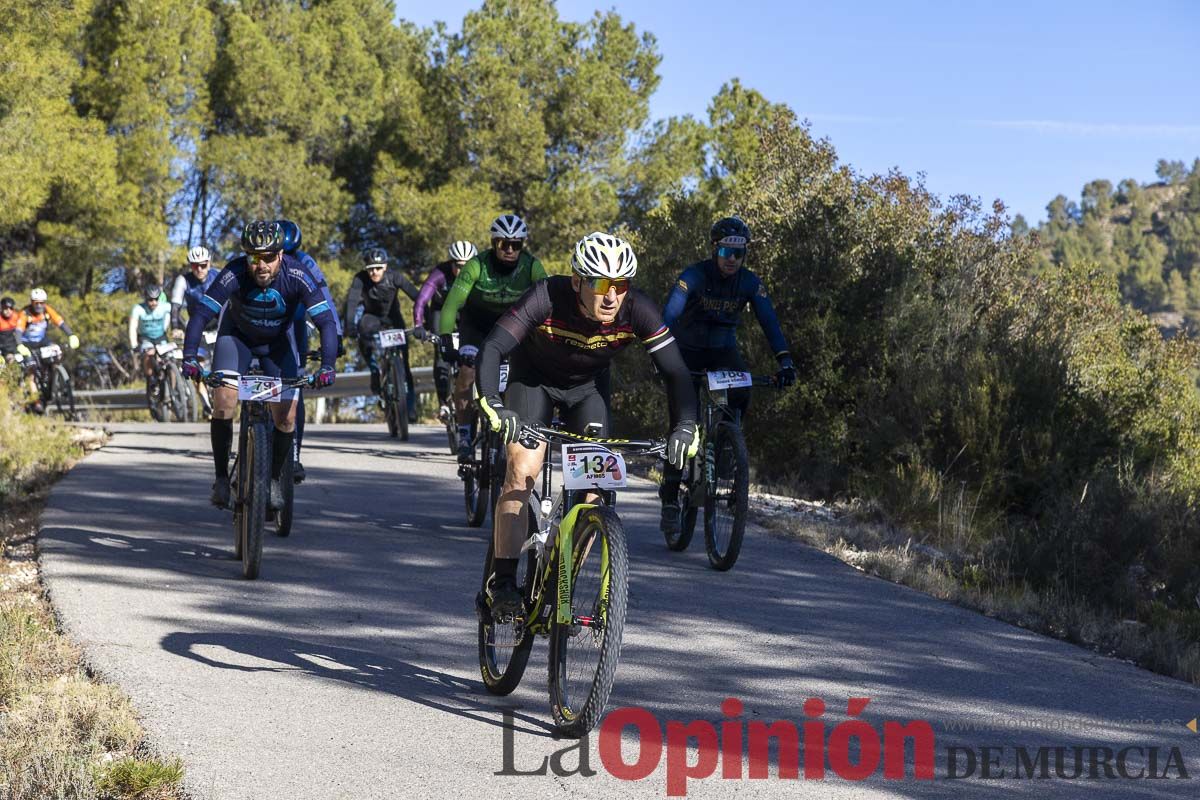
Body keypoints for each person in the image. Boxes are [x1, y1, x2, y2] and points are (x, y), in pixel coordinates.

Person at [474, 232, 699, 616]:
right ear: (578, 281)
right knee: (523, 470)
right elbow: (493, 346)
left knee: (595, 488)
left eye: (621, 285)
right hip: (533, 383)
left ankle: (563, 577)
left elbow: (676, 371)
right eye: (600, 284)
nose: (612, 296)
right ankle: (505, 583)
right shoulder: (546, 296)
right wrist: (493, 403)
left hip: (587, 392)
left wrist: (686, 425)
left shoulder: (637, 310)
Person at [181, 220, 338, 510]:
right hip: (237, 338)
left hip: (279, 344)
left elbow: (326, 321)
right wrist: (189, 356)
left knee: (286, 417)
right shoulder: (235, 272)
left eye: (268, 257)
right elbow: (203, 313)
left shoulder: (297, 274)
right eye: (254, 257)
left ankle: (277, 479)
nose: (261, 265)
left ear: (281, 255)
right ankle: (220, 478)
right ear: (246, 257)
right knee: (225, 400)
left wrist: (328, 365)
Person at [656, 216, 796, 537]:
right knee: (681, 421)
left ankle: (725, 449)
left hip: (722, 351)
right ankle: (670, 495)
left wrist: (784, 361)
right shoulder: (693, 275)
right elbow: (668, 315)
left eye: (739, 254)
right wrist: (660, 355)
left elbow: (769, 321)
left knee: (743, 390)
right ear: (714, 250)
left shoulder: (749, 282)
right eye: (725, 253)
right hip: (687, 352)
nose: (732, 260)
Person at [437, 215, 547, 461]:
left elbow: (547, 302)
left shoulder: (531, 266)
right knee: (467, 371)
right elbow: (452, 304)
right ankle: (465, 434)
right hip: (476, 326)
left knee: (518, 375)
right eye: (503, 244)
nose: (509, 249)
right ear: (493, 242)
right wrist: (445, 336)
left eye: (515, 245)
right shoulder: (476, 265)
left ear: (522, 245)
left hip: (512, 327)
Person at [279, 219, 343, 483]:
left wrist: (336, 335)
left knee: (295, 387)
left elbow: (325, 298)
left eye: (290, 253)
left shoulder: (306, 263)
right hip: (262, 324)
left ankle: (293, 455)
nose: (284, 259)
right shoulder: (259, 261)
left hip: (294, 326)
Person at [343, 247, 419, 421]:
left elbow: (417, 296)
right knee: (363, 331)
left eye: (378, 268)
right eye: (370, 269)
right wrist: (349, 326)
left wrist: (425, 321)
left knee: (405, 364)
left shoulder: (395, 277)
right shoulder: (360, 279)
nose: (374, 272)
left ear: (385, 267)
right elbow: (352, 302)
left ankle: (410, 407)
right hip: (371, 317)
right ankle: (374, 370)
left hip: (393, 318)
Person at [413, 240, 476, 423]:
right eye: (458, 265)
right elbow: (422, 300)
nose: (462, 270)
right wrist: (418, 324)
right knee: (442, 355)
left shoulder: (479, 275)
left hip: (465, 314)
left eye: (468, 266)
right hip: (440, 313)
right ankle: (443, 403)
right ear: (451, 263)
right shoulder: (440, 273)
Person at [15, 288, 80, 411]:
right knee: (31, 372)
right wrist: (19, 345)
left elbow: (60, 323)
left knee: (56, 352)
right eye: (36, 303)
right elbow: (18, 331)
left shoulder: (47, 310)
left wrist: (71, 335)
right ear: (32, 302)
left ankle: (54, 377)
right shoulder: (25, 313)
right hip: (27, 344)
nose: (39, 305)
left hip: (42, 341)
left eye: (42, 302)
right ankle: (36, 400)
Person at [129, 283, 172, 382]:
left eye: (156, 299)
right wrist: (134, 345)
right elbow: (132, 327)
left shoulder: (165, 306)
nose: (154, 302)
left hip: (161, 336)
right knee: (148, 355)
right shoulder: (138, 309)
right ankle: (151, 379)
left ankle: (176, 390)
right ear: (145, 298)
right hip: (145, 337)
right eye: (150, 300)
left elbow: (176, 317)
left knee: (169, 359)